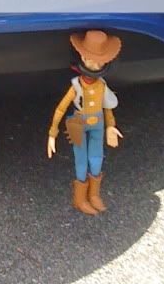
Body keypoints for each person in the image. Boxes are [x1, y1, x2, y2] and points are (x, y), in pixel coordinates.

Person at [46, 30, 123, 215]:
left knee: (96, 158)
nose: (94, 65)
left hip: (97, 123)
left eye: (99, 61)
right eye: (90, 59)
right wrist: (52, 133)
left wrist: (111, 126)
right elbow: (61, 108)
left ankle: (94, 194)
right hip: (77, 124)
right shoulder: (76, 85)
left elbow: (107, 106)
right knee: (81, 160)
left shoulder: (102, 85)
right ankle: (80, 199)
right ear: (82, 57)